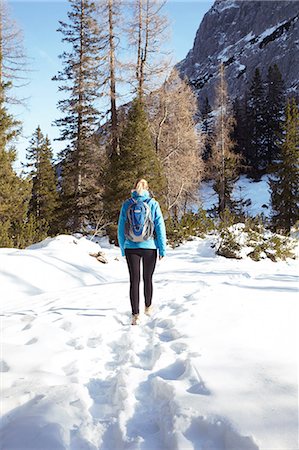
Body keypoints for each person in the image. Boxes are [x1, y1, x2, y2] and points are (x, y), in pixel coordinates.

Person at [118, 178, 167, 325]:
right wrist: (162, 248)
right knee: (147, 278)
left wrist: (123, 247)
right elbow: (160, 227)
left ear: (134, 189)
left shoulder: (127, 204)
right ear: (147, 189)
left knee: (134, 280)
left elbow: (121, 228)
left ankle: (135, 315)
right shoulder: (152, 204)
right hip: (149, 247)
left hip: (130, 247)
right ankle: (148, 307)